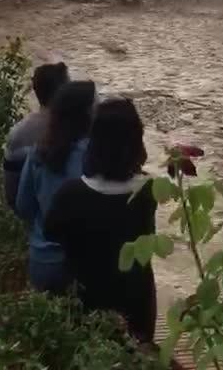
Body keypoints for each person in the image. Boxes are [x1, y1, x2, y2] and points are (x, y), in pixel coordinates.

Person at [45, 97, 156, 342]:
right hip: (136, 305)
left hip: (84, 307)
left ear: (93, 142)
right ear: (136, 142)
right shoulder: (147, 191)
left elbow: (51, 232)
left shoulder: (71, 194)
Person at [16, 80, 95, 293]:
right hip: (82, 264)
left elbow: (23, 207)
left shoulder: (38, 152)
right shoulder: (94, 156)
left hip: (42, 261)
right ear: (86, 113)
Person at [4, 62, 69, 209]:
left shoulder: (17, 133)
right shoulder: (76, 131)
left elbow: (11, 195)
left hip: (35, 221)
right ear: (64, 92)